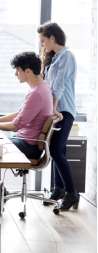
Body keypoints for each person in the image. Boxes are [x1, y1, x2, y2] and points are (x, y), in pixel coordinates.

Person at [0, 52, 53, 160]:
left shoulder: (36, 93)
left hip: (28, 146)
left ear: (27, 71)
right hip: (25, 141)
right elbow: (19, 114)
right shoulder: (41, 87)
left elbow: (15, 126)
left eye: (18, 70)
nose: (15, 74)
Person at [37, 21, 79, 211]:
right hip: (56, 111)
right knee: (55, 150)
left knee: (57, 151)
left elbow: (59, 86)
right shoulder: (55, 58)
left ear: (52, 38)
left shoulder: (67, 56)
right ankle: (59, 188)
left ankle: (71, 193)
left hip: (64, 111)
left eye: (43, 40)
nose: (42, 45)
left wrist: (53, 109)